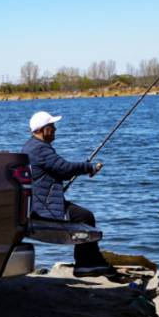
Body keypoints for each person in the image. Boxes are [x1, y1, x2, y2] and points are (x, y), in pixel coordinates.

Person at [21, 111, 115, 278]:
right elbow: (64, 167)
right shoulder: (40, 149)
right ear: (44, 129)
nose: (55, 129)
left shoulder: (31, 146)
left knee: (84, 216)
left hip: (39, 203)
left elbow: (61, 172)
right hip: (44, 208)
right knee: (85, 217)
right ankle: (86, 264)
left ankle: (90, 261)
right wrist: (88, 168)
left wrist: (82, 169)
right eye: (52, 126)